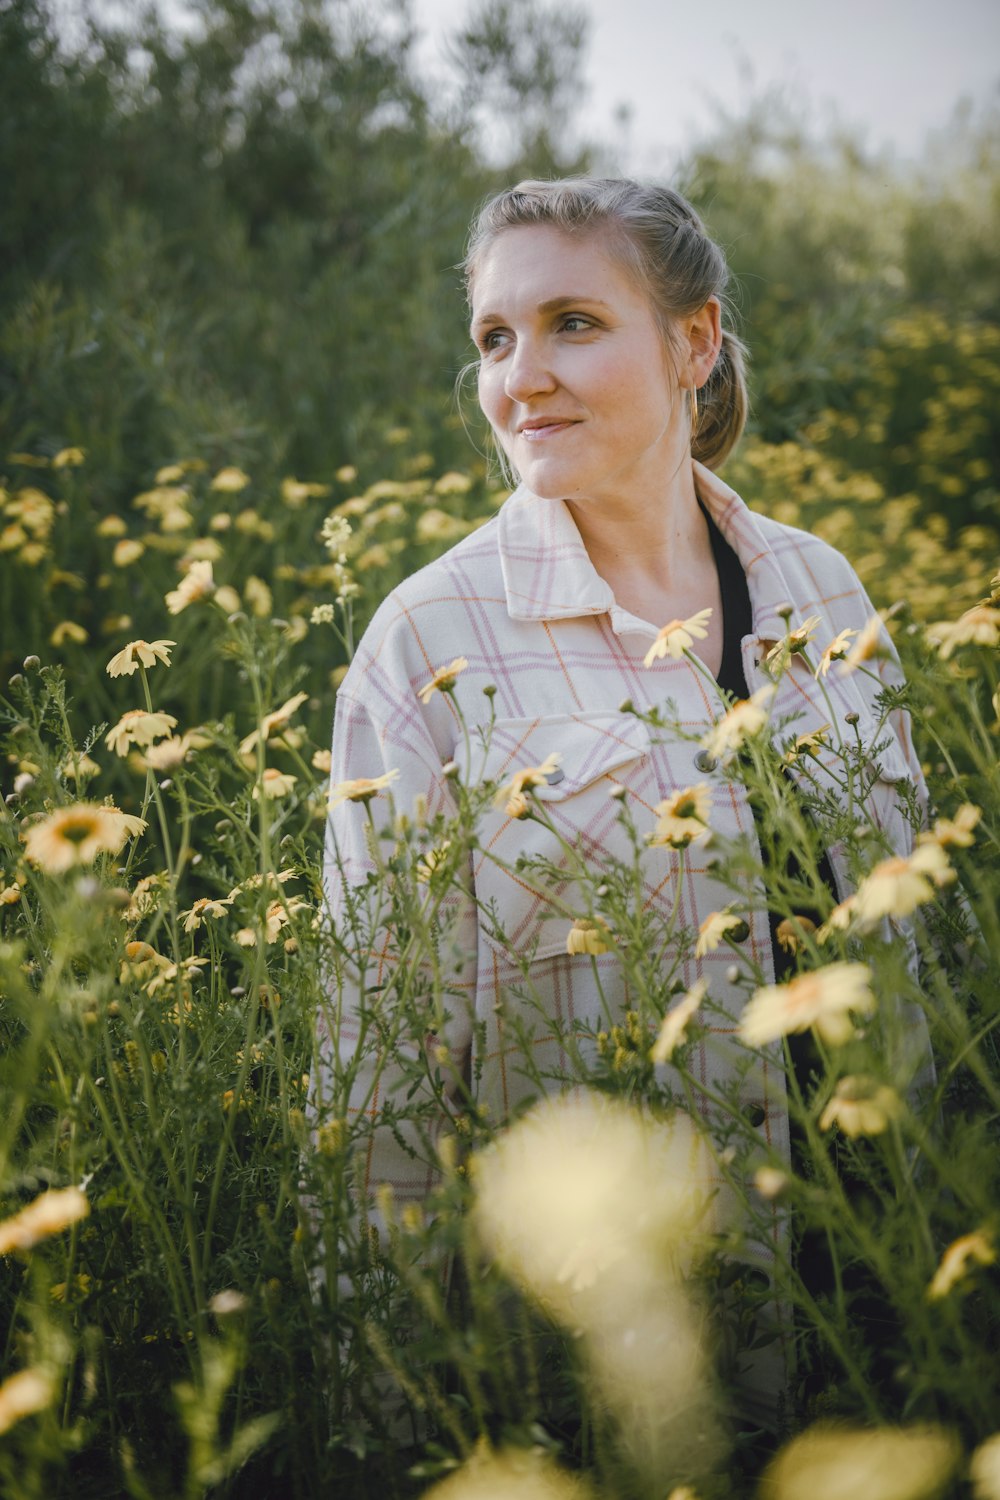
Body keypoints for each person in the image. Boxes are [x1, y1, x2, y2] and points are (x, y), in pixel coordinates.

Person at [315, 177, 929, 1423]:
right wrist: (392, 1407)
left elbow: (922, 936)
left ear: (693, 341)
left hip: (892, 1317)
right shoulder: (429, 639)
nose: (519, 376)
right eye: (495, 338)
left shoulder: (822, 587)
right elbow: (373, 1073)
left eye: (573, 324)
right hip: (616, 1363)